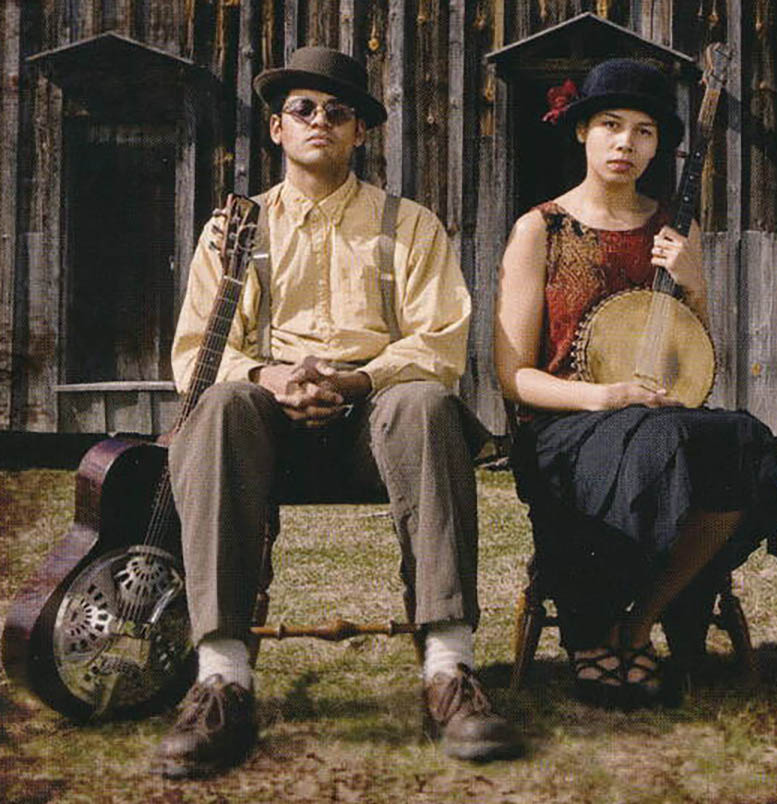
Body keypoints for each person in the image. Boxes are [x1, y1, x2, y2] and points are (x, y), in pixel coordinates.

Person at [155, 46, 521, 777]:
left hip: (376, 428)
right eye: (302, 109)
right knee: (221, 403)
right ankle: (222, 680)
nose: (319, 120)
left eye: (338, 111)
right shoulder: (235, 229)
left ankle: (449, 670)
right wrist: (272, 375)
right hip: (263, 429)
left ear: (360, 131)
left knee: (426, 401)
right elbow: (197, 353)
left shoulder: (409, 225)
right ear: (277, 129)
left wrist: (356, 381)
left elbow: (439, 343)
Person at [494, 58, 777, 709]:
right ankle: (591, 631)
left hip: (657, 421)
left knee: (740, 439)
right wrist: (604, 396)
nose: (626, 142)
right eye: (611, 124)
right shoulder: (540, 229)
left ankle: (639, 621)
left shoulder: (673, 232)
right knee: (659, 444)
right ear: (582, 131)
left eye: (644, 131)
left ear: (658, 147)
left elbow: (694, 359)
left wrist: (696, 283)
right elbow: (513, 377)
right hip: (566, 429)